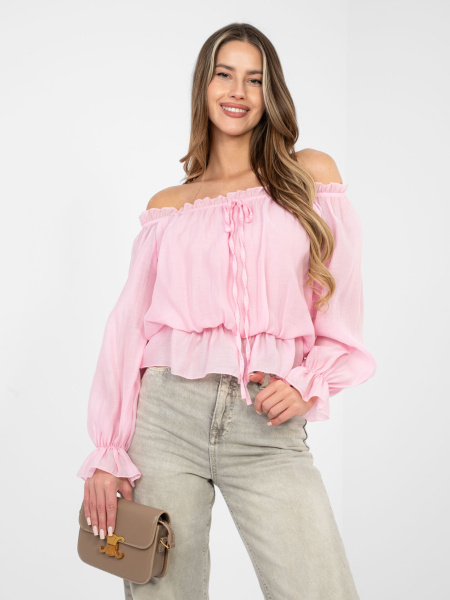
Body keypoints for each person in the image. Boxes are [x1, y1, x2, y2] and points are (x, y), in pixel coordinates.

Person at [77, 22, 376, 600]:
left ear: (270, 93)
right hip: (165, 419)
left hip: (266, 421)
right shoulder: (169, 207)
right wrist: (108, 452)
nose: (238, 91)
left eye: (254, 79)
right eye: (224, 74)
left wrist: (308, 381)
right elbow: (128, 330)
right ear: (204, 85)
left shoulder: (309, 177)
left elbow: (341, 306)